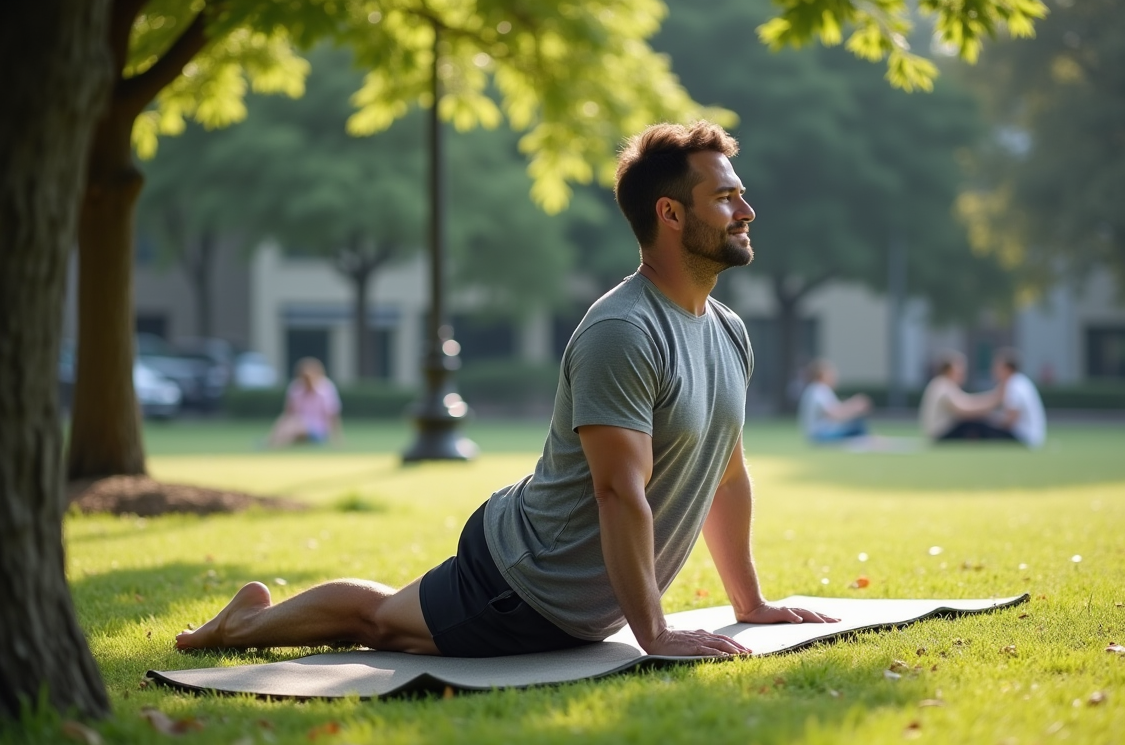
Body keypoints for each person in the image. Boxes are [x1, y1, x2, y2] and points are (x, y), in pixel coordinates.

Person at [177, 121, 838, 660]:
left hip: (568, 597)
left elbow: (726, 474)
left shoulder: (729, 332)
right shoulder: (623, 331)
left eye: (740, 194)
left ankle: (245, 621)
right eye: (725, 198)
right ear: (670, 214)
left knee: (384, 613)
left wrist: (747, 603)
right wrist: (654, 633)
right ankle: (236, 630)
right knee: (378, 624)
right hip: (525, 583)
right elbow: (618, 491)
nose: (747, 211)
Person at [919, 350, 1012, 442]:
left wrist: (994, 397)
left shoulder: (944, 384)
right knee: (975, 424)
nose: (963, 373)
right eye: (959, 370)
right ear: (948, 370)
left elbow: (969, 401)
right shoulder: (944, 386)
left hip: (942, 432)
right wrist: (995, 399)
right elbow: (966, 410)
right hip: (940, 433)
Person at [267, 357, 342, 447]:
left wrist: (336, 438)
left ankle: (275, 444)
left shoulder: (326, 388)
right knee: (288, 422)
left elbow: (332, 415)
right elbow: (288, 413)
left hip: (318, 431)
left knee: (294, 424)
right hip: (295, 426)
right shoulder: (296, 388)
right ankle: (273, 441)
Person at [798, 359, 872, 443]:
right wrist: (854, 407)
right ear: (822, 374)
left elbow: (835, 410)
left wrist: (850, 405)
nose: (835, 376)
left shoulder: (816, 389)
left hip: (821, 434)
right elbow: (834, 415)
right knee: (858, 425)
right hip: (820, 435)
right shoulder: (819, 389)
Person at [993, 348, 1047, 448]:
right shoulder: (1021, 381)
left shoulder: (1013, 385)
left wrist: (991, 419)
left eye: (998, 366)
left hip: (1023, 436)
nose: (994, 370)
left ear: (1007, 368)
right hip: (1033, 436)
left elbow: (1011, 419)